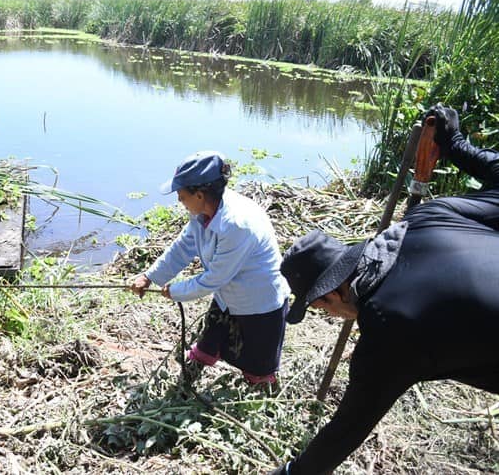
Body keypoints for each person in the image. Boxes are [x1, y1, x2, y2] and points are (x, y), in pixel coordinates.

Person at [272, 104, 499, 474]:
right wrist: (457, 146)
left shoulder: (386, 328)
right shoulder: (429, 216)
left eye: (321, 309)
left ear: (332, 294)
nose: (331, 316)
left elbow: (346, 429)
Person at [130, 151, 290, 385]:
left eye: (182, 195)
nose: (179, 200)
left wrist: (175, 291)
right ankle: (193, 370)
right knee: (211, 336)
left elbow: (213, 279)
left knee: (258, 365)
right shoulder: (202, 213)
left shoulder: (237, 225)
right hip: (229, 294)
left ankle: (258, 398)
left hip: (259, 303)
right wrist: (149, 277)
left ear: (200, 194)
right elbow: (183, 247)